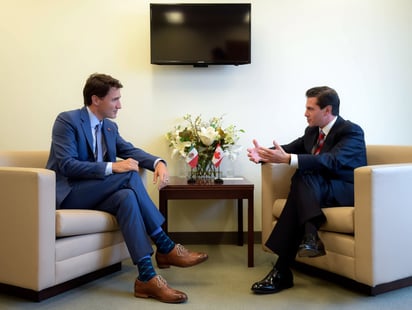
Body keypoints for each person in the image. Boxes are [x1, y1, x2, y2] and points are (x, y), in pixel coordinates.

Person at [46, 73, 208, 304]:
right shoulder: (67, 121)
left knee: (126, 198)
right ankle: (165, 245)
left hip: (96, 194)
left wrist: (158, 163)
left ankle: (146, 277)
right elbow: (67, 164)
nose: (120, 105)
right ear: (96, 99)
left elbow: (131, 151)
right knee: (128, 176)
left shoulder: (109, 127)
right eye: (115, 99)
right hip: (70, 193)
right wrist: (113, 167)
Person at [247, 86, 367, 294]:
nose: (305, 113)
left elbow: (333, 161)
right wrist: (264, 154)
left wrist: (288, 160)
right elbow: (290, 148)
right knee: (303, 175)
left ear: (327, 110)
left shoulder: (351, 131)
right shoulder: (312, 132)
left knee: (302, 175)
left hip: (345, 190)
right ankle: (308, 240)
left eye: (310, 109)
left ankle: (284, 269)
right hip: (316, 191)